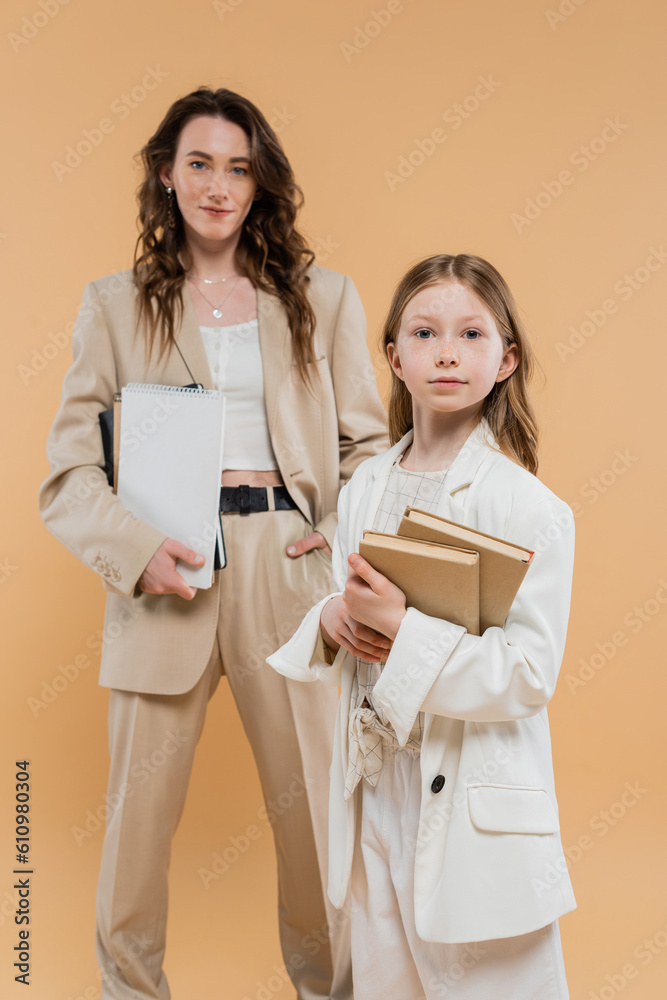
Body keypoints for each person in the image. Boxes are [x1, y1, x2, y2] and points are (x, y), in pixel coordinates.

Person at [39, 87, 387, 1000]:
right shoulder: (112, 307)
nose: (219, 185)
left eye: (238, 167)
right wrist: (135, 549)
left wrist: (330, 533)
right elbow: (68, 473)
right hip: (166, 569)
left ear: (259, 180)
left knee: (314, 814)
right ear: (167, 174)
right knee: (134, 828)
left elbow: (368, 451)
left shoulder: (324, 298)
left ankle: (332, 990)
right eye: (199, 163)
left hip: (290, 564)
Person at [268, 253, 577, 999]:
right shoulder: (368, 484)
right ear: (393, 358)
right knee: (387, 982)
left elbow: (527, 675)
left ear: (505, 360)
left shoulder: (529, 507)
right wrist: (334, 619)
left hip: (475, 800)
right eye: (424, 332)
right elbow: (346, 602)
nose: (446, 351)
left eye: (471, 334)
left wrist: (403, 629)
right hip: (377, 790)